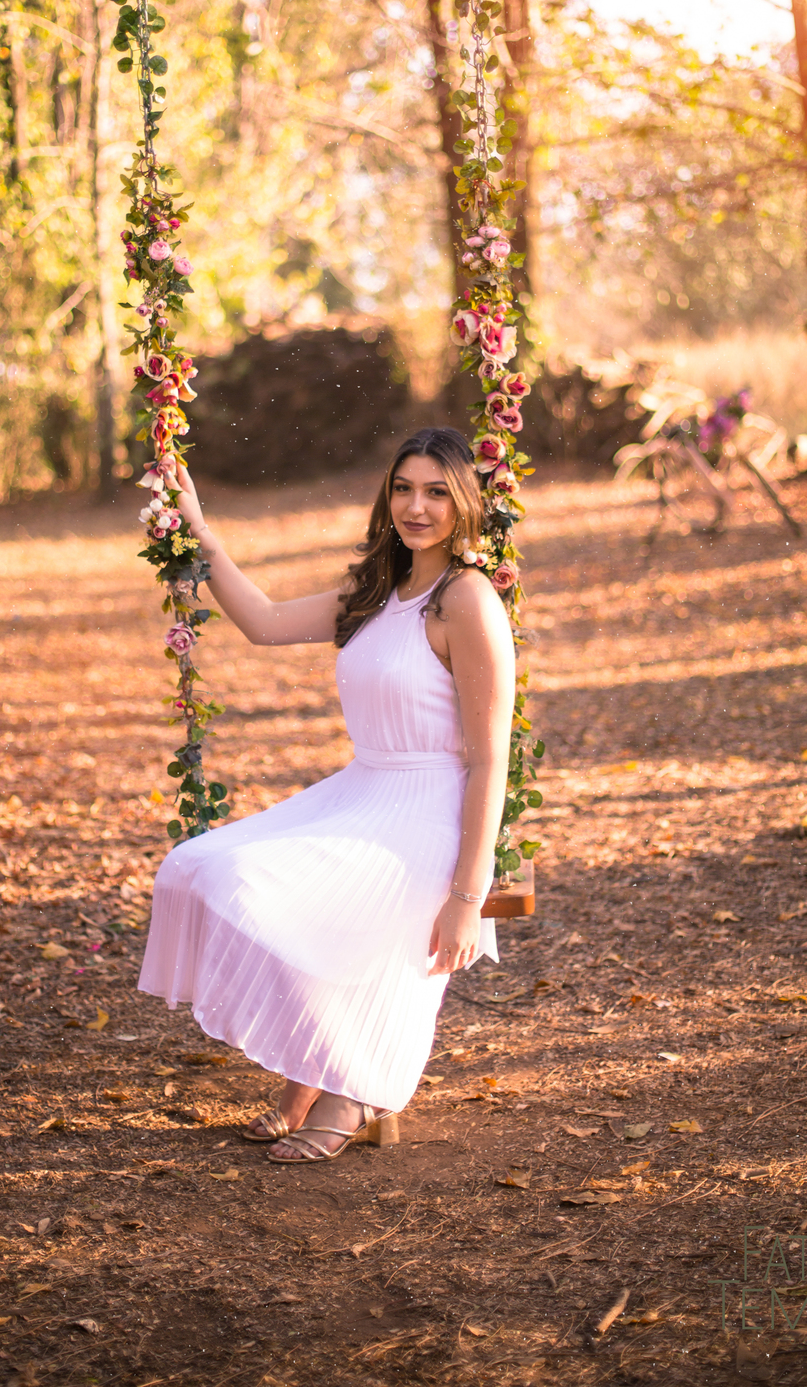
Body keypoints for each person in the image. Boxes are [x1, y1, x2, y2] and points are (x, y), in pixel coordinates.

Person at [137, 427, 516, 1164]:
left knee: (267, 885)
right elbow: (265, 622)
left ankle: (351, 1086)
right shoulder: (374, 592)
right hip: (361, 791)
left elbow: (489, 757)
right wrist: (199, 527)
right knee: (198, 867)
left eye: (438, 492)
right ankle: (313, 1066)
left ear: (465, 502)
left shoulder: (465, 601)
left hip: (430, 810)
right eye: (404, 488)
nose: (417, 506)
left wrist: (468, 895)